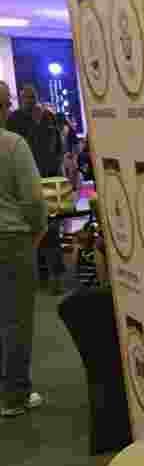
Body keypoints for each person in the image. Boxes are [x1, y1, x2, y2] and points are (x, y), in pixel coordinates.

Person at [0, 81, 48, 417]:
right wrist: (38, 228)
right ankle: (14, 394)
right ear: (4, 107)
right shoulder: (13, 146)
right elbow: (33, 199)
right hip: (12, 238)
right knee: (17, 319)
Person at [6, 84, 64, 177]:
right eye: (27, 97)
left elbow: (58, 140)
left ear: (37, 98)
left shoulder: (48, 115)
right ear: (21, 99)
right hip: (27, 169)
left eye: (33, 97)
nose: (30, 100)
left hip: (51, 169)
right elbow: (13, 145)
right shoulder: (14, 118)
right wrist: (35, 123)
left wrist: (58, 160)